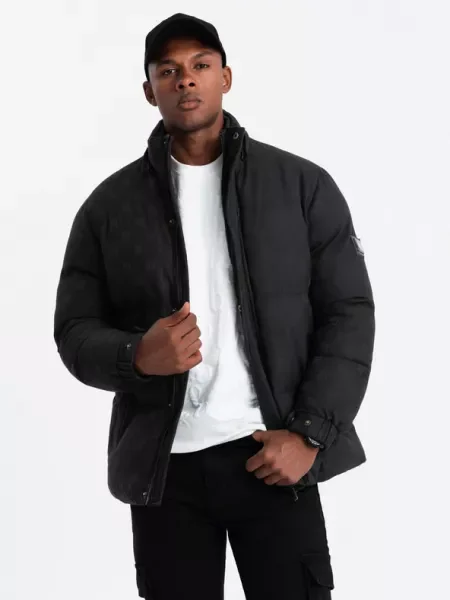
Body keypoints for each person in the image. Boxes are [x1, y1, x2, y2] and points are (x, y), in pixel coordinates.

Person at [53, 12, 375, 600]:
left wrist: (309, 436)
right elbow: (74, 330)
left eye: (200, 65)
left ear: (225, 77)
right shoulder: (109, 208)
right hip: (167, 469)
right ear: (149, 90)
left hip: (273, 456)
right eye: (168, 71)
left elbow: (348, 312)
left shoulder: (301, 186)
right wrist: (136, 355)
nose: (185, 80)